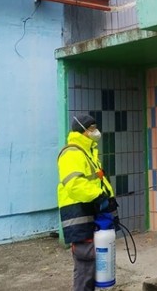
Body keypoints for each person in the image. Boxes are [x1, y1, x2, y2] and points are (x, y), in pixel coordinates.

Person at [57, 114, 118, 291]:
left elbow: (97, 181)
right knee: (85, 264)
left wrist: (108, 198)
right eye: (91, 128)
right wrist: (99, 196)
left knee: (96, 264)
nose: (95, 131)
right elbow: (74, 184)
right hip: (79, 215)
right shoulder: (71, 153)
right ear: (81, 131)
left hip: (91, 213)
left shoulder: (88, 152)